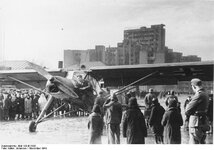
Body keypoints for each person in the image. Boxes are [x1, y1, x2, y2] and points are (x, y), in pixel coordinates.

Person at [185, 78, 209, 144]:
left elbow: (187, 110)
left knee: (194, 143)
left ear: (194, 86)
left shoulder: (199, 94)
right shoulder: (205, 94)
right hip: (202, 122)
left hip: (196, 124)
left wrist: (188, 103)